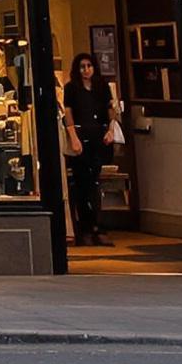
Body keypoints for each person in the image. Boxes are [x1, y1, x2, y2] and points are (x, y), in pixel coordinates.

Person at [60, 54, 122, 248]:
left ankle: (98, 226)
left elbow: (110, 110)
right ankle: (85, 228)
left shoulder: (102, 88)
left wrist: (110, 130)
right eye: (82, 67)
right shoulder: (71, 88)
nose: (86, 70)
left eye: (89, 66)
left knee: (95, 183)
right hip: (81, 134)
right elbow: (68, 114)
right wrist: (74, 138)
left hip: (99, 136)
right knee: (81, 184)